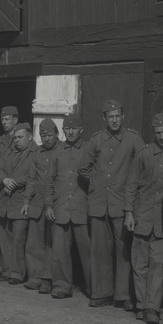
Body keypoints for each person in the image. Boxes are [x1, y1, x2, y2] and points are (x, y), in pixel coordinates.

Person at [81, 99, 145, 309]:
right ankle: (101, 293)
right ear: (104, 118)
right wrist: (97, 182)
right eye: (111, 116)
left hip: (121, 204)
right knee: (99, 250)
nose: (115, 120)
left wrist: (130, 186)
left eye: (118, 116)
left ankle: (124, 295)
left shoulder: (133, 139)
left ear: (123, 116)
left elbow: (145, 163)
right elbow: (83, 168)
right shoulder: (96, 140)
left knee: (123, 250)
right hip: (99, 203)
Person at [124, 113, 163, 324]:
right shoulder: (144, 154)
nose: (162, 136)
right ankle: (141, 304)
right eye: (158, 133)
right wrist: (128, 212)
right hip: (142, 216)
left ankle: (151, 307)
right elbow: (131, 184)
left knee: (158, 264)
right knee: (140, 263)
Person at [47, 113, 94, 299]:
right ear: (63, 130)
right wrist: (48, 206)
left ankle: (94, 288)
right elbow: (49, 181)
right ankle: (61, 286)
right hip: (60, 208)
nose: (71, 131)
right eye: (68, 128)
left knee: (88, 250)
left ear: (81, 130)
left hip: (82, 208)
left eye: (75, 128)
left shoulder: (89, 149)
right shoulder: (57, 152)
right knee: (60, 250)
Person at [0, 122, 37, 285]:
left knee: (18, 239)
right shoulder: (8, 152)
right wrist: (4, 179)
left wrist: (15, 182)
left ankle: (17, 273)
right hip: (5, 201)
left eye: (20, 137)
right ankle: (6, 270)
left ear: (30, 137)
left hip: (21, 201)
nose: (16, 141)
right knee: (5, 238)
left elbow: (34, 175)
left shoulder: (36, 153)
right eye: (15, 138)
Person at [23, 118, 60, 293]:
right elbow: (31, 179)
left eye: (49, 135)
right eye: (43, 136)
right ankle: (34, 277)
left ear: (57, 134)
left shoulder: (62, 151)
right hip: (37, 203)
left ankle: (48, 279)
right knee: (34, 242)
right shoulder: (37, 154)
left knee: (51, 243)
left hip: (55, 204)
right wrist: (26, 201)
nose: (46, 139)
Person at [0, 105, 19, 278]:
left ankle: (13, 269)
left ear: (15, 120)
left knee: (13, 233)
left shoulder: (21, 136)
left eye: (7, 119)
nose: (4, 122)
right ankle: (0, 268)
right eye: (2, 119)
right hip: (0, 190)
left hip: (16, 190)